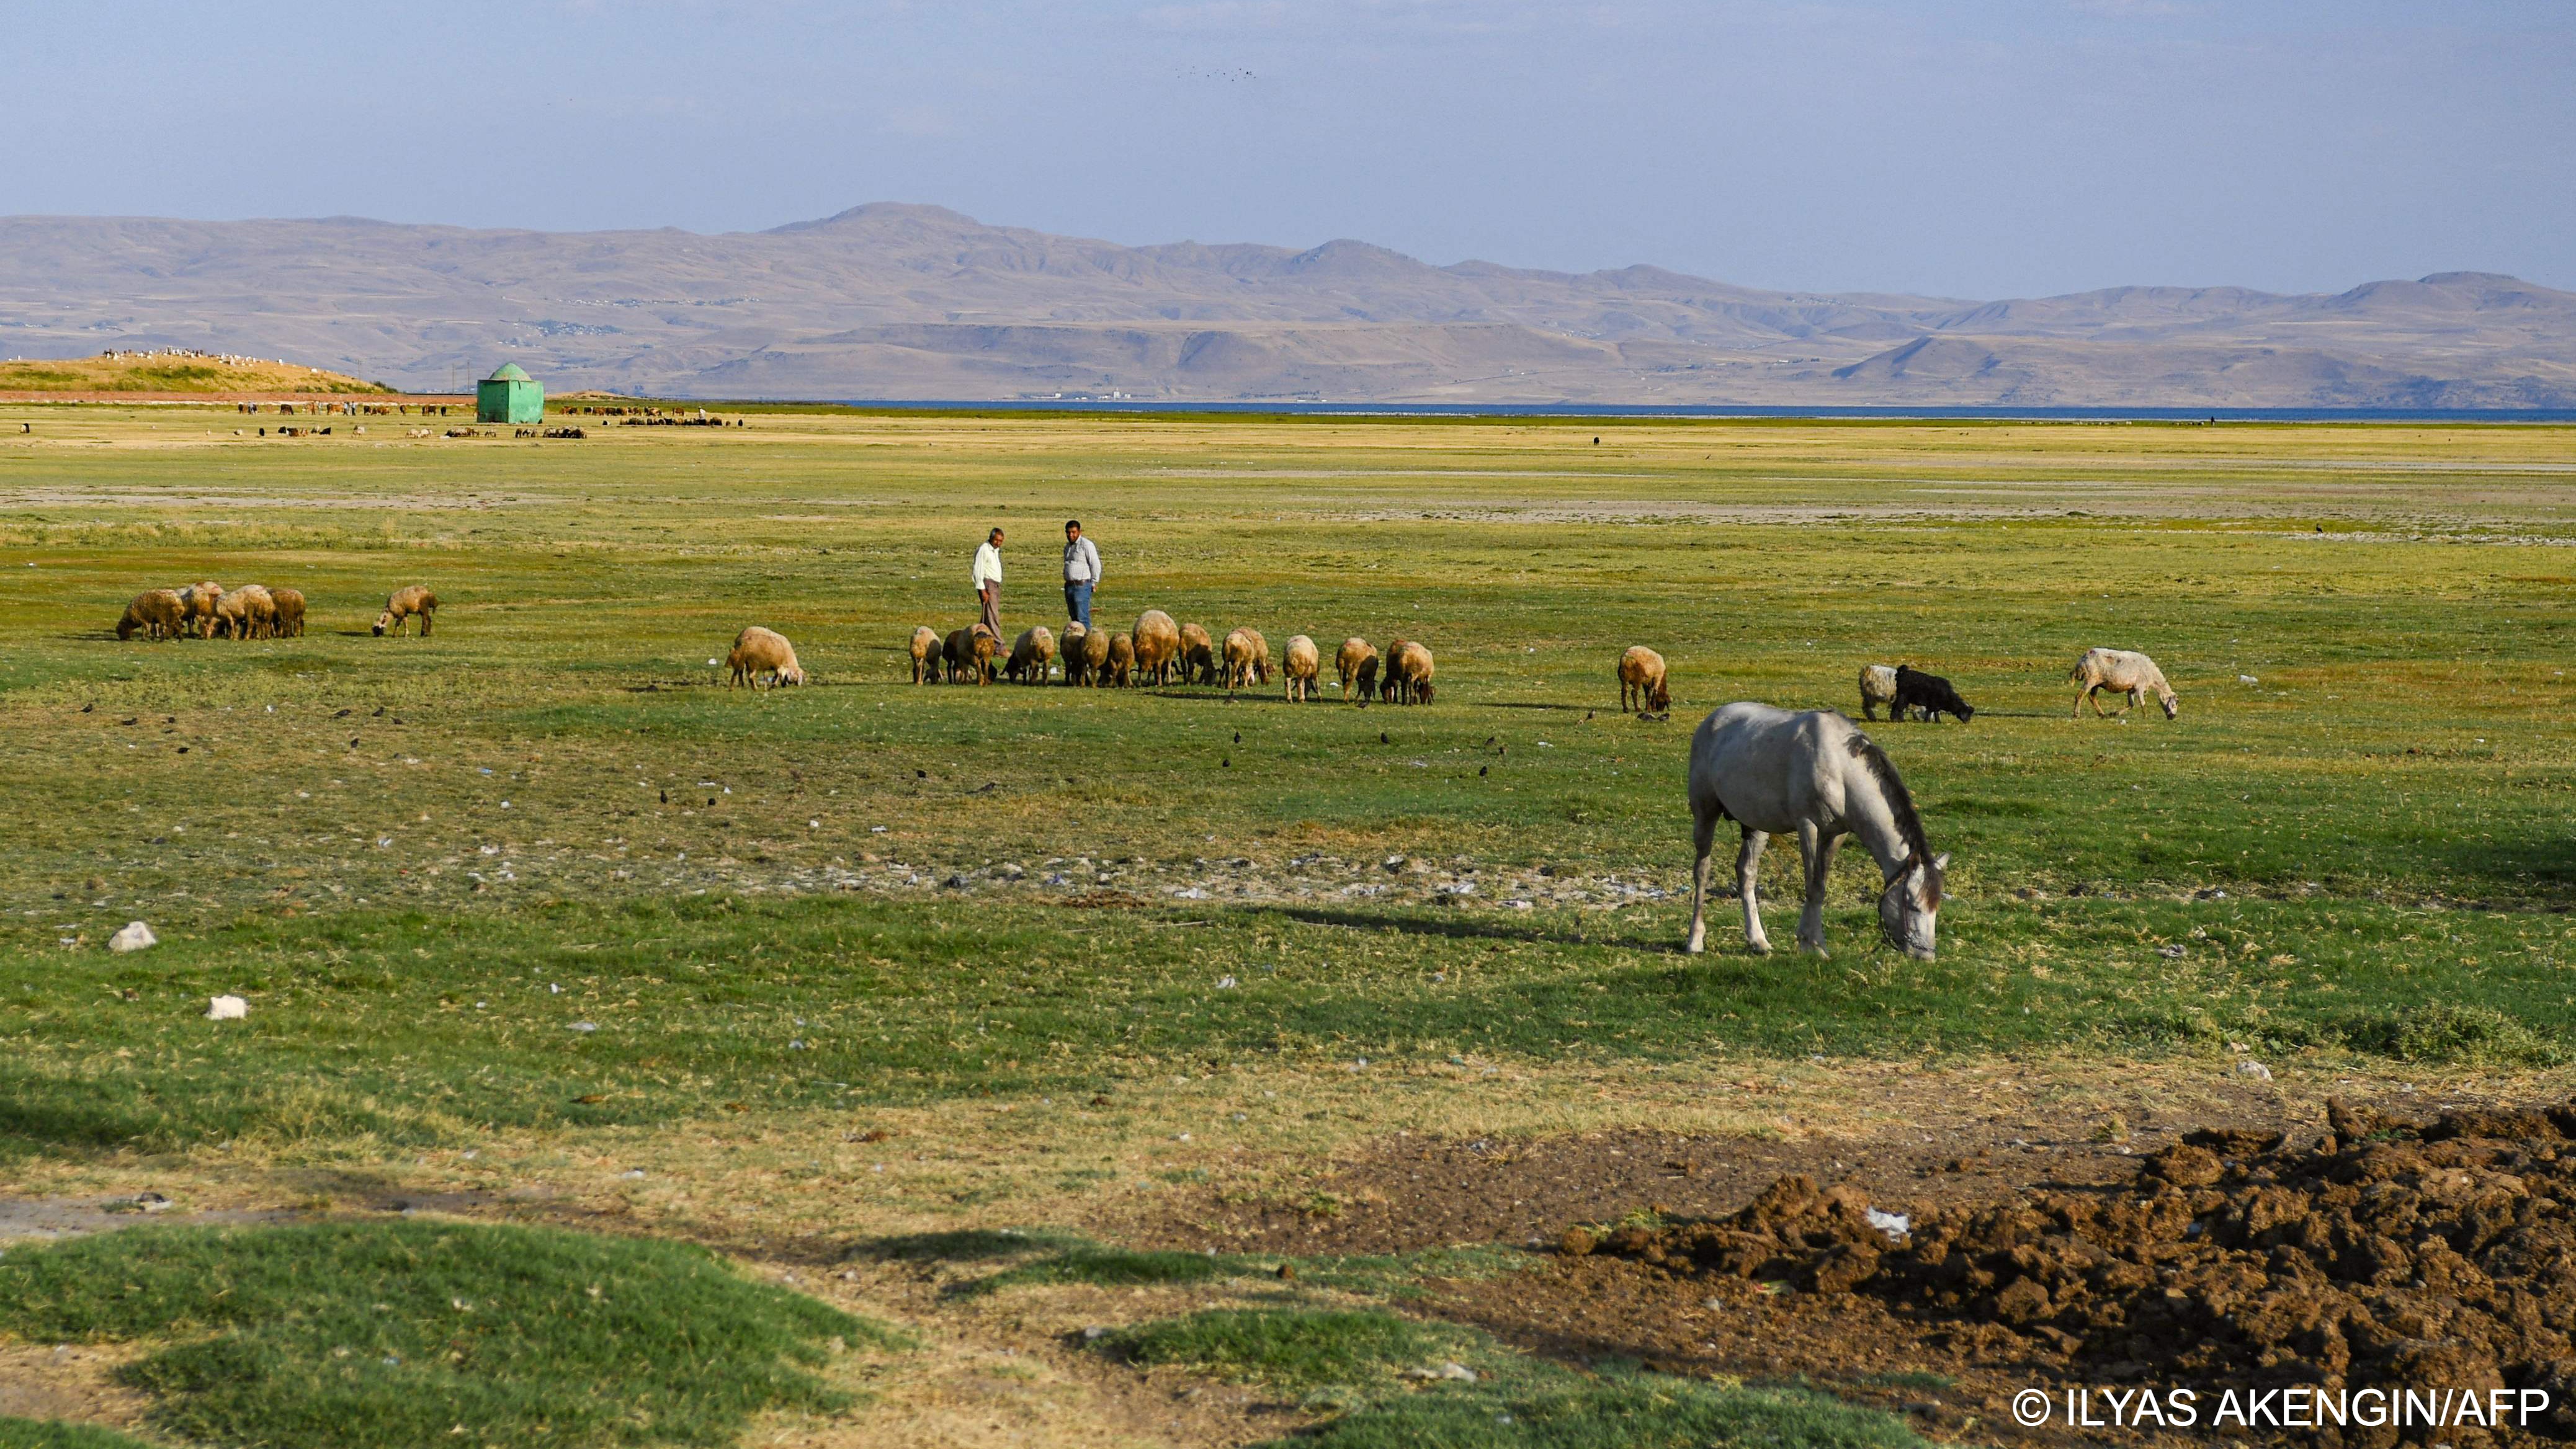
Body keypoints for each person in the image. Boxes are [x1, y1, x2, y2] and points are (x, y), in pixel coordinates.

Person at [1061, 519, 1101, 628]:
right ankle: (1076, 643)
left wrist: (1094, 582)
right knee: (1074, 619)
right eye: (1068, 532)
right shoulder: (1067, 547)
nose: (1071, 535)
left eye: (1074, 532)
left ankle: (1087, 642)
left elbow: (1095, 564)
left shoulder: (1086, 545)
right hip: (1069, 586)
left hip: (1082, 586)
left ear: (1079, 532)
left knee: (1082, 618)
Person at [972, 527, 1005, 639]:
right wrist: (983, 590)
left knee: (988, 615)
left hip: (995, 585)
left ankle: (985, 640)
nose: (998, 543)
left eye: (1001, 541)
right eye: (996, 540)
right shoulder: (984, 550)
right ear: (991, 538)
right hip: (988, 585)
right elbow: (978, 570)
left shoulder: (995, 550)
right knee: (992, 615)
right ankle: (998, 644)